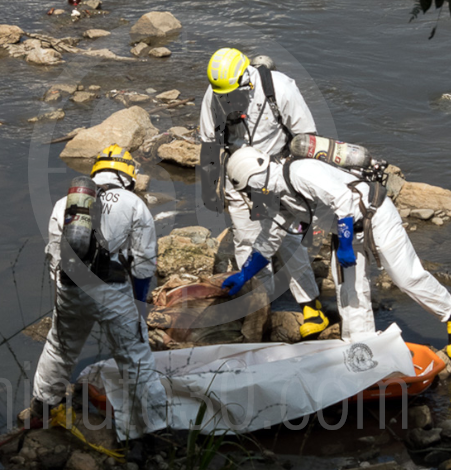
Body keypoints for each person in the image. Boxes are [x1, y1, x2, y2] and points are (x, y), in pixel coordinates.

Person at [221, 146, 451, 364]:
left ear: (254, 179)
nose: (251, 196)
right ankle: (361, 350)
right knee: (350, 293)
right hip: (346, 231)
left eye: (249, 190)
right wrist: (244, 275)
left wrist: (344, 245)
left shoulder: (301, 172)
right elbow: (268, 241)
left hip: (376, 216)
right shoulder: (279, 199)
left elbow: (344, 200)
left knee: (406, 277)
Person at [32, 145, 168, 447]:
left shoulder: (63, 204)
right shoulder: (134, 204)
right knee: (136, 359)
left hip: (70, 289)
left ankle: (40, 411)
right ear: (127, 176)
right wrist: (139, 309)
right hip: (113, 292)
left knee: (58, 349)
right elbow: (144, 266)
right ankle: (155, 434)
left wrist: (62, 300)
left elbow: (55, 258)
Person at [199, 47, 328, 339]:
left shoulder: (280, 88)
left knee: (290, 242)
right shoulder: (214, 95)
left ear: (247, 79)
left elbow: (307, 138)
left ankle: (311, 304)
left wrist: (303, 184)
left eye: (233, 94)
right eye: (223, 95)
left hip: (278, 172)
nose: (228, 100)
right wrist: (210, 191)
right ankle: (259, 306)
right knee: (246, 238)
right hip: (238, 176)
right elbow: (209, 144)